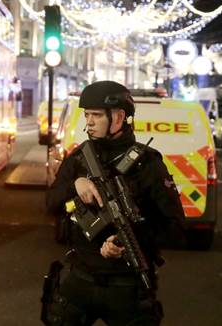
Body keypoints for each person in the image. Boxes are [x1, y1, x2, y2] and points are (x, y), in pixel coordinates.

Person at [45, 81, 186, 325]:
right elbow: (51, 204)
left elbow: (175, 227)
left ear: (119, 117)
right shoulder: (79, 158)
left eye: (97, 115)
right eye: (87, 114)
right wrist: (74, 186)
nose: (88, 121)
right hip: (81, 277)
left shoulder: (148, 164)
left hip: (127, 285)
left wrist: (128, 239)